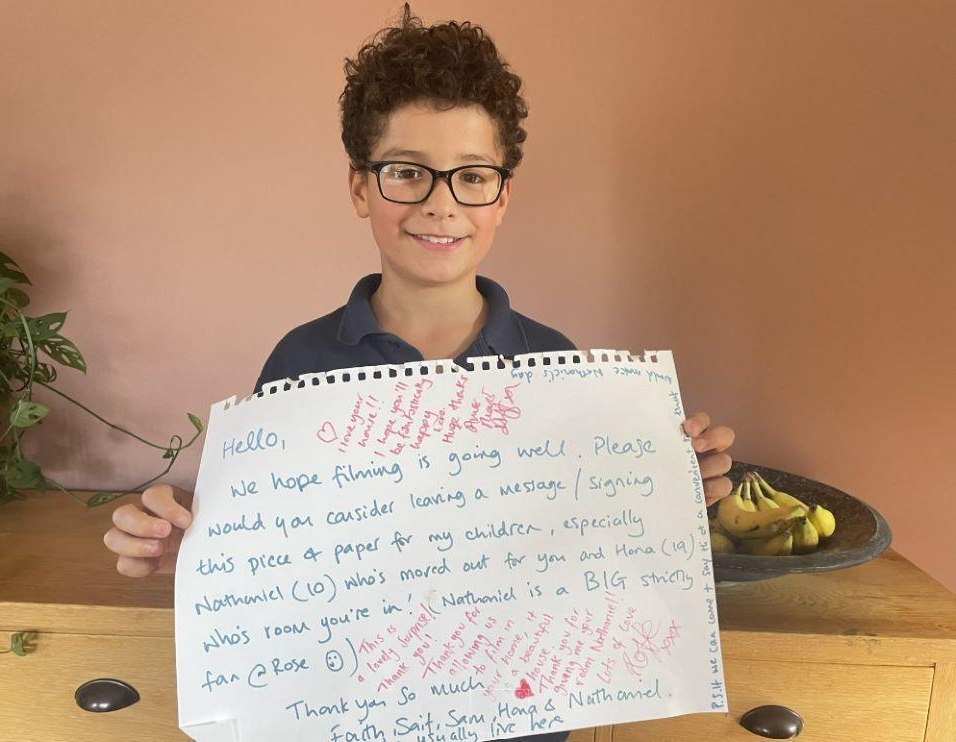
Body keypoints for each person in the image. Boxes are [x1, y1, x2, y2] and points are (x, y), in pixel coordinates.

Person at [103, 5, 736, 741]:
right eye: (407, 172)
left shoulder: (566, 374)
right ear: (359, 187)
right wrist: (193, 546)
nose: (440, 204)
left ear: (504, 196)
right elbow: (278, 567)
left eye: (472, 175)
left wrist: (664, 490)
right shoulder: (299, 368)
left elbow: (593, 571)